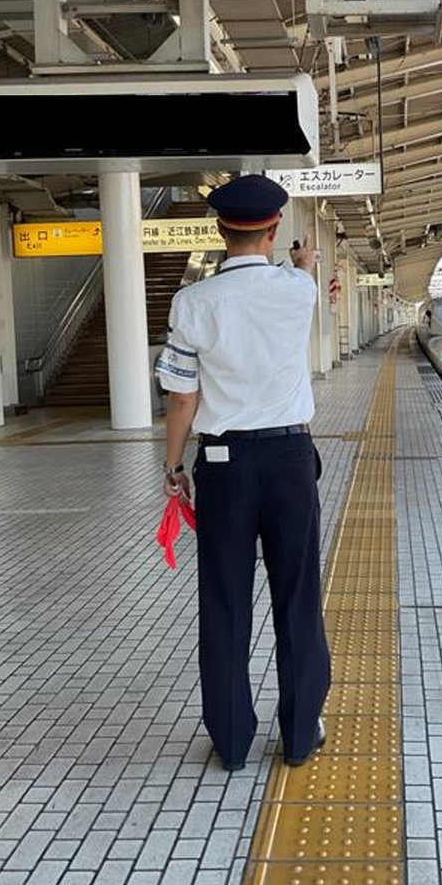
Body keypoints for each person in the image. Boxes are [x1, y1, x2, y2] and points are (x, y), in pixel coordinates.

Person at [155, 175, 330, 770]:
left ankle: (231, 740)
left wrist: (174, 465)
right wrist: (303, 263)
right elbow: (299, 276)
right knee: (297, 595)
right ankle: (300, 734)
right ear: (274, 229)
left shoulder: (193, 303)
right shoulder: (298, 289)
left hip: (223, 464)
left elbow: (182, 396)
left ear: (218, 230)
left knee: (225, 599)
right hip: (288, 460)